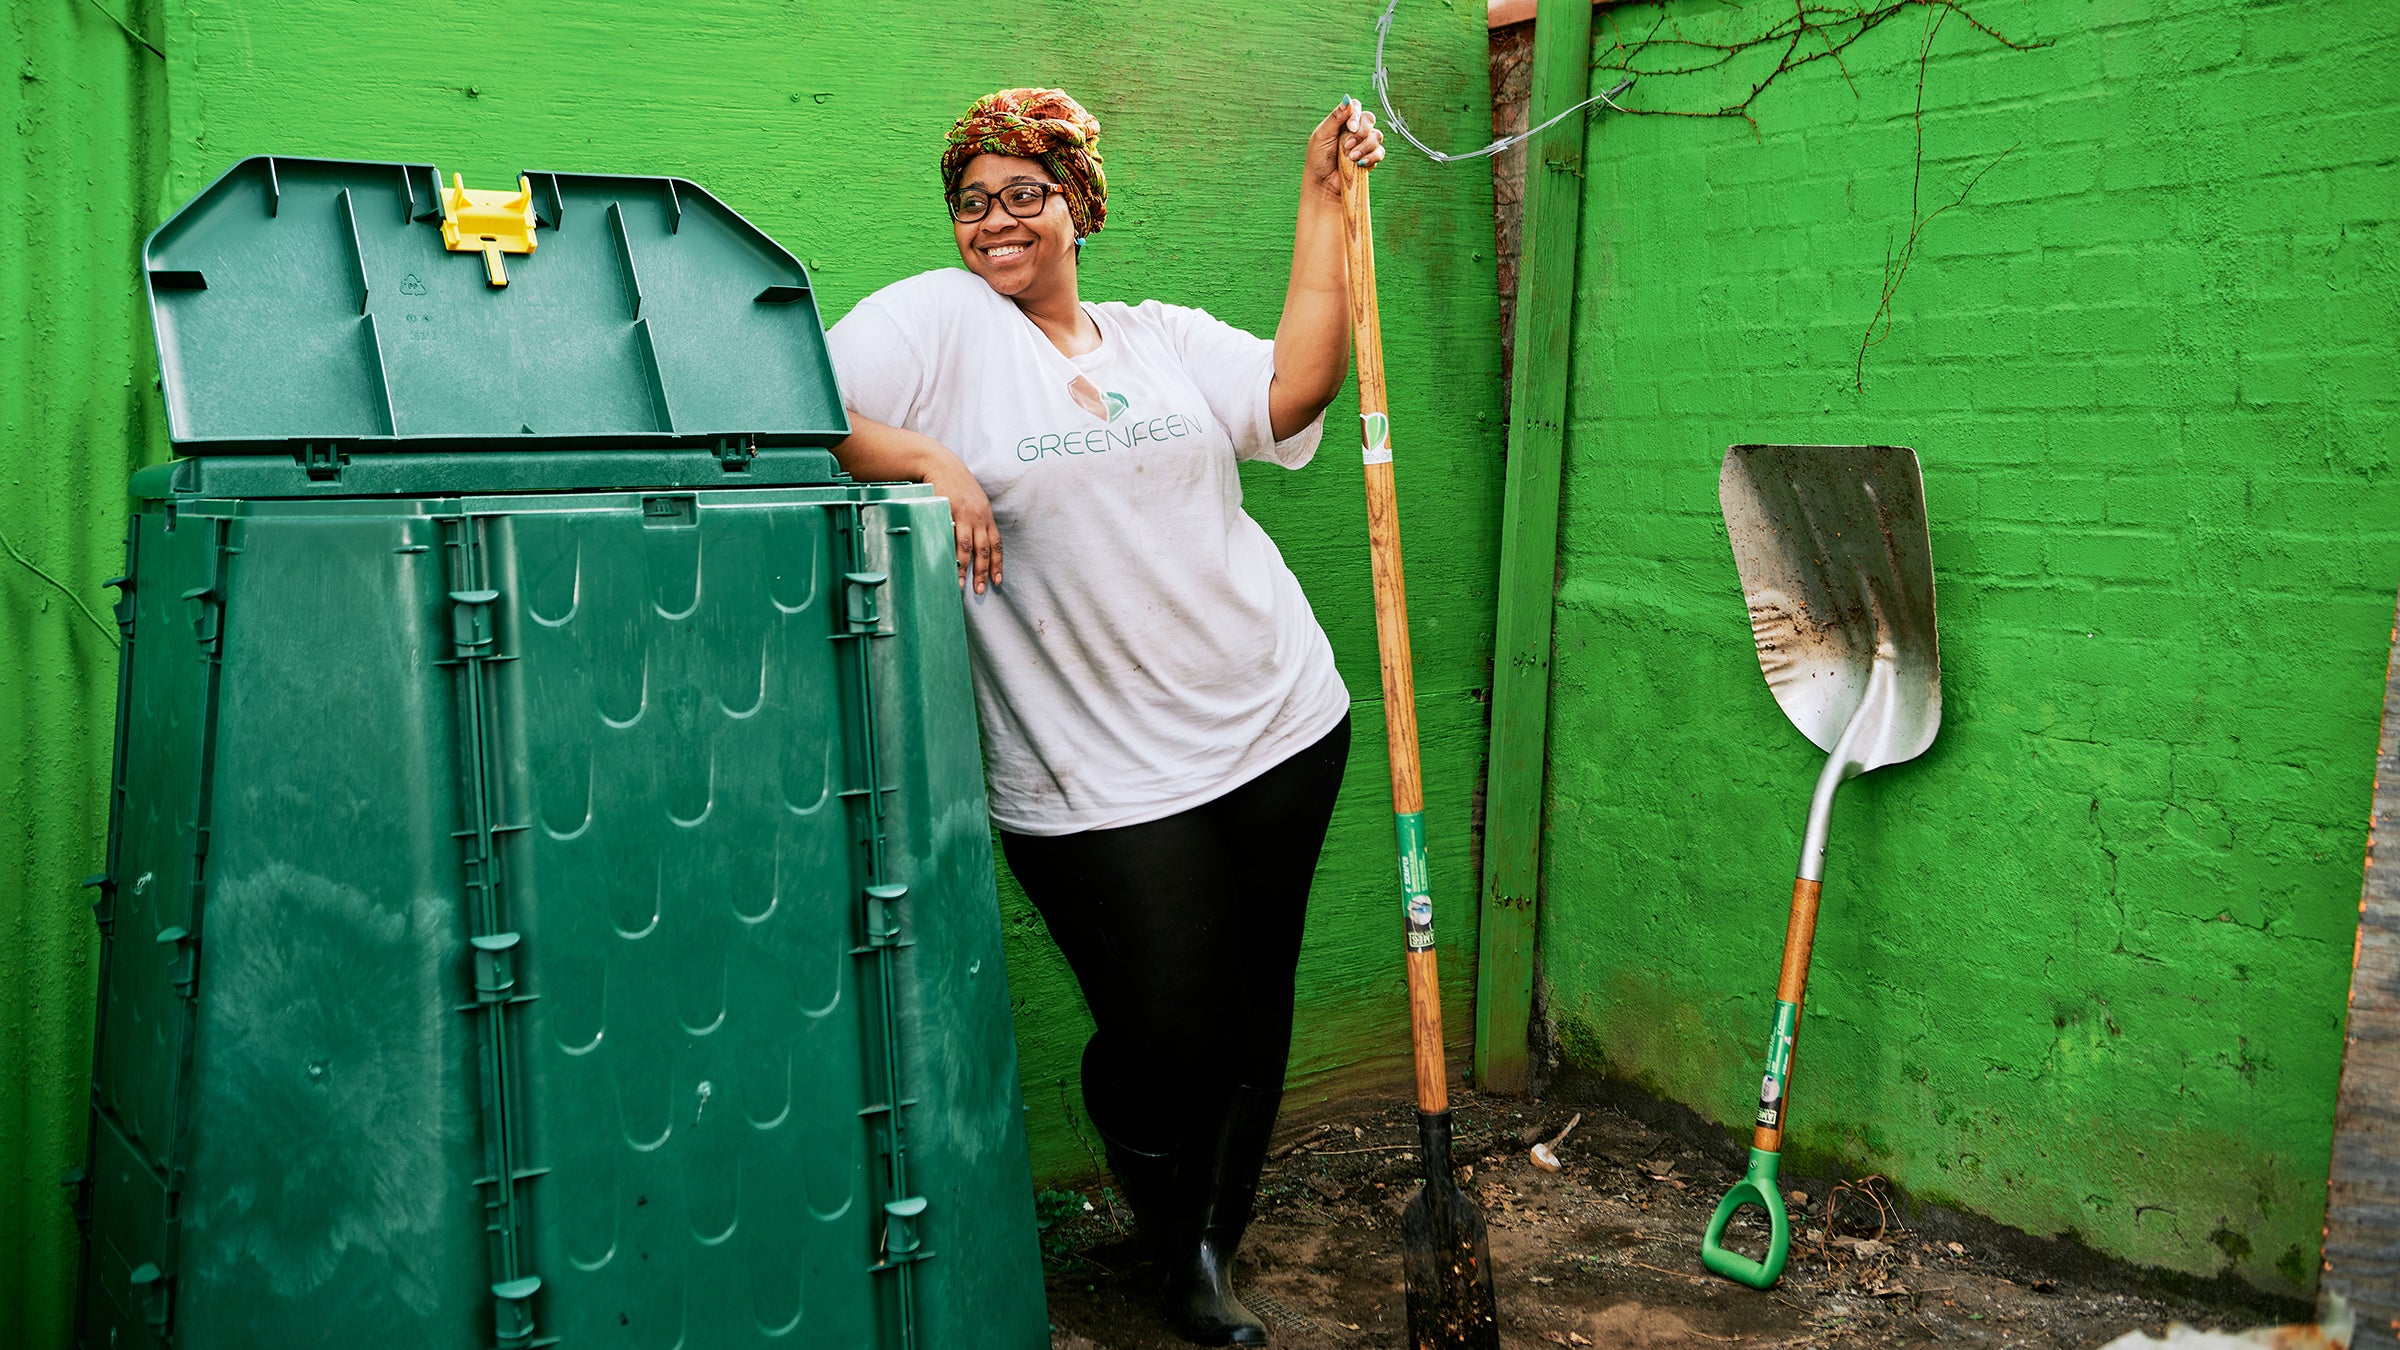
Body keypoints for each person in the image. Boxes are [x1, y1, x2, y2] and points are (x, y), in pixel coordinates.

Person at [823, 87, 1385, 1347]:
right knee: (1164, 1022)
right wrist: (932, 462)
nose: (994, 222)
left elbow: (1292, 390)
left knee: (1255, 1004)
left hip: (1278, 716)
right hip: (1091, 768)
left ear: (1077, 205)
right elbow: (805, 409)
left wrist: (1323, 202)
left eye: (1024, 193)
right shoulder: (940, 321)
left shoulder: (1157, 338)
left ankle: (1203, 1254)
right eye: (972, 200)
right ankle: (1161, 1209)